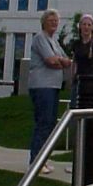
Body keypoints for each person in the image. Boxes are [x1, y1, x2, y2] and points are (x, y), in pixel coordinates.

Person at [28, 9, 72, 174]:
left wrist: (59, 61)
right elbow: (50, 60)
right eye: (51, 20)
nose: (54, 23)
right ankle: (36, 162)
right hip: (42, 86)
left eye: (56, 21)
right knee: (43, 123)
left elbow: (67, 61)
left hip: (53, 86)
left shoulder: (54, 41)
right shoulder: (40, 38)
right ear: (44, 22)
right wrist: (59, 61)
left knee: (50, 124)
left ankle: (43, 159)